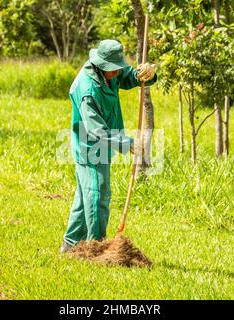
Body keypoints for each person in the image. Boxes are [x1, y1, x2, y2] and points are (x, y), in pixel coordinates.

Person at [61, 39, 157, 253]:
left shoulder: (109, 71)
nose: (116, 72)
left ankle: (69, 246)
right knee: (98, 194)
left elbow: (130, 76)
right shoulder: (87, 90)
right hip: (90, 147)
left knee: (84, 195)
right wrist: (128, 143)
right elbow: (96, 130)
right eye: (112, 69)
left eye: (118, 67)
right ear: (99, 65)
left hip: (105, 143)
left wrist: (146, 74)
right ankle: (96, 248)